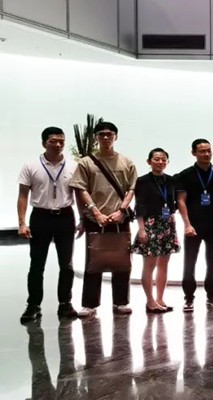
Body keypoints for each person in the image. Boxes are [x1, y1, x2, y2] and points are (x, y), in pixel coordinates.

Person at [70, 121, 137, 317]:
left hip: (120, 218)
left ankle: (121, 302)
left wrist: (122, 210)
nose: (106, 137)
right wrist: (95, 212)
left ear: (116, 137)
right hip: (95, 218)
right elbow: (81, 189)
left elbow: (131, 189)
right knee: (93, 261)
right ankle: (90, 304)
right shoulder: (86, 162)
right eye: (101, 134)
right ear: (96, 138)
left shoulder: (126, 162)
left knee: (122, 260)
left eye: (109, 134)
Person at [18, 127, 82, 323]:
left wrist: (82, 219)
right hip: (41, 217)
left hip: (65, 216)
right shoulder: (31, 166)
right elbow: (23, 195)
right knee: (37, 264)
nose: (58, 144)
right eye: (53, 141)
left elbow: (79, 194)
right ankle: (33, 305)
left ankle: (65, 304)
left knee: (67, 264)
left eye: (61, 141)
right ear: (44, 143)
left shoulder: (73, 166)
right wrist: (22, 223)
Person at [175, 139, 213, 312]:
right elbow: (181, 201)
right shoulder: (185, 174)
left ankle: (212, 296)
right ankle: (189, 298)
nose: (206, 154)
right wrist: (187, 224)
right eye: (202, 151)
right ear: (194, 153)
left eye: (209, 150)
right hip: (193, 226)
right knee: (190, 262)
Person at [132, 148, 180, 313]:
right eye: (157, 159)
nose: (160, 162)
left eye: (163, 159)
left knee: (164, 264)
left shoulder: (171, 180)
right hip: (150, 224)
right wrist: (141, 229)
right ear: (149, 161)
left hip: (168, 223)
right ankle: (150, 301)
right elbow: (139, 206)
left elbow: (174, 203)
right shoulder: (143, 181)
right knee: (149, 264)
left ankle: (160, 298)